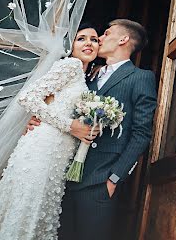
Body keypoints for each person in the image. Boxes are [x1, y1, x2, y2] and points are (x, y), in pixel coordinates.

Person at [28, 19, 158, 240]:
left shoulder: (141, 77)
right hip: (62, 174)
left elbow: (141, 133)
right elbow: (59, 105)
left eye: (106, 34)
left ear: (123, 39)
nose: (100, 38)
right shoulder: (87, 74)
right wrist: (37, 120)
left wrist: (114, 178)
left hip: (100, 179)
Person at [0, 24, 102, 240]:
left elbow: (55, 103)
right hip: (43, 148)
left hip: (57, 153)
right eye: (82, 39)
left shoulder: (85, 76)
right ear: (71, 45)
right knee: (28, 207)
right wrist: (71, 126)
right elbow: (28, 98)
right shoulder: (70, 66)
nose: (89, 43)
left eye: (94, 39)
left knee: (39, 210)